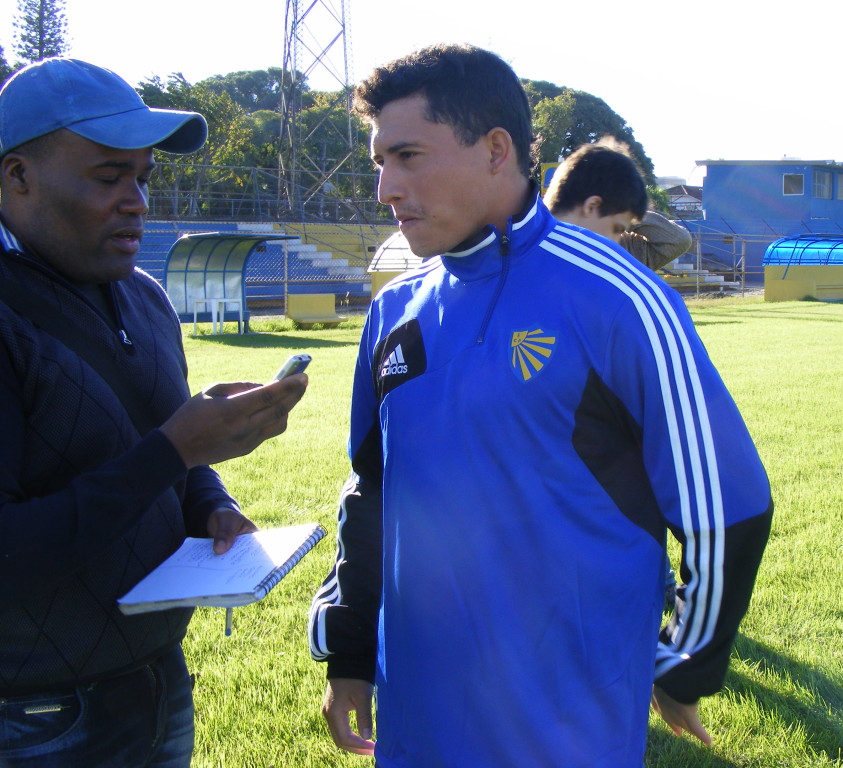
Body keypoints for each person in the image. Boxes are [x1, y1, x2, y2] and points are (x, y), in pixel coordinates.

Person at [308, 43, 772, 768]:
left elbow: (727, 507)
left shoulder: (619, 295)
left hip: (565, 729)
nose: (384, 188)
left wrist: (686, 662)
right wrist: (350, 652)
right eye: (379, 162)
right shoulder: (394, 310)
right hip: (416, 723)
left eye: (407, 156)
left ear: (496, 150)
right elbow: (372, 490)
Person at [0, 58, 308, 768]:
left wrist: (211, 503)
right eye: (109, 178)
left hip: (157, 684)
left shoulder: (142, 293)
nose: (137, 200)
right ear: (18, 177)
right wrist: (175, 451)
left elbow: (163, 451)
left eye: (144, 176)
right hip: (34, 718)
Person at [543, 138, 693, 270]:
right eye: (616, 229)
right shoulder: (525, 254)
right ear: (591, 206)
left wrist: (626, 213)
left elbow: (678, 240)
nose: (616, 239)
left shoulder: (620, 252)